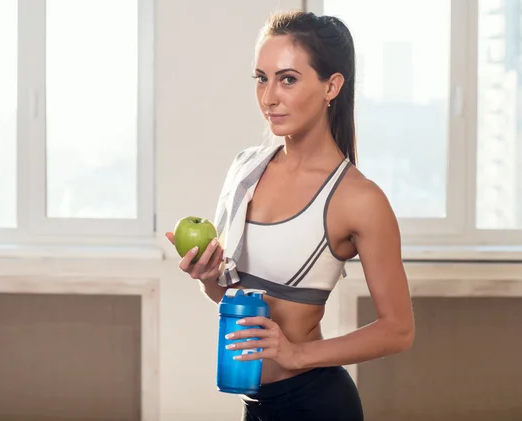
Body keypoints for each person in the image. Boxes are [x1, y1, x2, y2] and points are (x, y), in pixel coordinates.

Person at [166, 10, 415, 421]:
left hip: (315, 404)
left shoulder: (358, 199)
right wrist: (209, 279)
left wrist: (298, 353)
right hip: (255, 402)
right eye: (261, 78)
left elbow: (398, 329)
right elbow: (233, 300)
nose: (268, 97)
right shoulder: (246, 170)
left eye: (288, 79)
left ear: (332, 85)